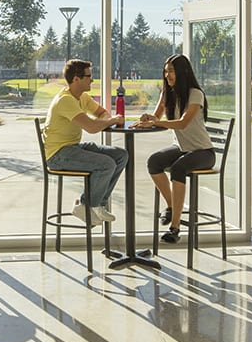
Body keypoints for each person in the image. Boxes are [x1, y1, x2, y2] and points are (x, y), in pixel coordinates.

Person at [135, 53, 215, 244]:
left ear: (182, 72)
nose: (167, 75)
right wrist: (148, 119)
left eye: (171, 71)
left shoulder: (196, 94)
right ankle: (171, 207)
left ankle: (175, 228)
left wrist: (158, 123)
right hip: (182, 148)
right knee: (154, 161)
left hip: (203, 152)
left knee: (179, 168)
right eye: (165, 71)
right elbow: (157, 118)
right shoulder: (167, 93)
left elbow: (183, 123)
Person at [42, 59, 127, 225]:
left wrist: (105, 119)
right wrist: (112, 120)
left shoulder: (82, 97)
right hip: (58, 154)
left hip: (72, 148)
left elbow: (102, 113)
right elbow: (92, 127)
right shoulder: (65, 100)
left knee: (120, 155)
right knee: (106, 164)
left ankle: (97, 204)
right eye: (88, 76)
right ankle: (86, 204)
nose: (92, 80)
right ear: (76, 79)